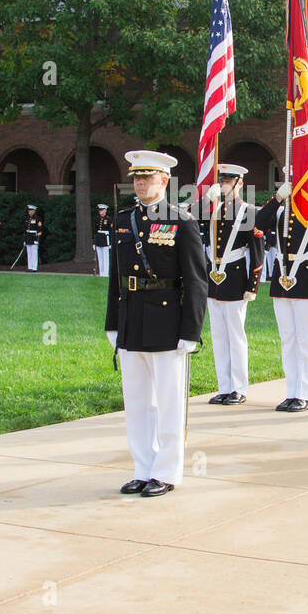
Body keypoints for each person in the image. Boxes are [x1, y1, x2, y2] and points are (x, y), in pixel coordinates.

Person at [105, 150, 206, 496]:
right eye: (136, 178)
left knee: (168, 400)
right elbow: (115, 278)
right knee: (136, 401)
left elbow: (196, 280)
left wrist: (191, 331)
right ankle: (142, 467)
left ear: (165, 180)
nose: (141, 184)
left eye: (147, 178)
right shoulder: (122, 220)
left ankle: (166, 471)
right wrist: (113, 323)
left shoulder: (181, 220)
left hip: (167, 320)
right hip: (132, 318)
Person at [255, 178, 308, 412]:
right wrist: (277, 198)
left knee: (305, 340)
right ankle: (291, 392)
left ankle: (305, 393)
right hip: (282, 280)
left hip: (306, 281)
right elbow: (257, 223)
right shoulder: (279, 211)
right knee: (288, 340)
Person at [201, 165, 263, 406]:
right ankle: (224, 386)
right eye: (221, 180)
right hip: (214, 279)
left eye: (228, 180)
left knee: (236, 336)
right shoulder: (213, 210)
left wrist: (252, 285)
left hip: (235, 279)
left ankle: (239, 387)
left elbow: (256, 253)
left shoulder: (248, 211)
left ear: (239, 184)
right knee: (218, 336)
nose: (223, 184)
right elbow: (195, 231)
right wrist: (205, 206)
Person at [93, 204, 113, 277]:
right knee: (100, 258)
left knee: (105, 258)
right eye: (99, 210)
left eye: (101, 210)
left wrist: (110, 243)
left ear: (105, 210)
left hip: (105, 240)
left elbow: (111, 232)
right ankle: (101, 273)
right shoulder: (97, 219)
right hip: (98, 239)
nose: (100, 211)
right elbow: (95, 231)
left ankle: (105, 273)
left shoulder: (109, 220)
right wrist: (94, 243)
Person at [24, 205, 43, 271]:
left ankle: (34, 267)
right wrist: (25, 240)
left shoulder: (37, 218)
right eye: (29, 211)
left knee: (34, 253)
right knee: (29, 253)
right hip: (28, 237)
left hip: (34, 237)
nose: (30, 212)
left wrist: (37, 239)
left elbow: (39, 230)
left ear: (34, 211)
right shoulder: (27, 218)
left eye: (31, 211)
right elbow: (25, 230)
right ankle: (30, 267)